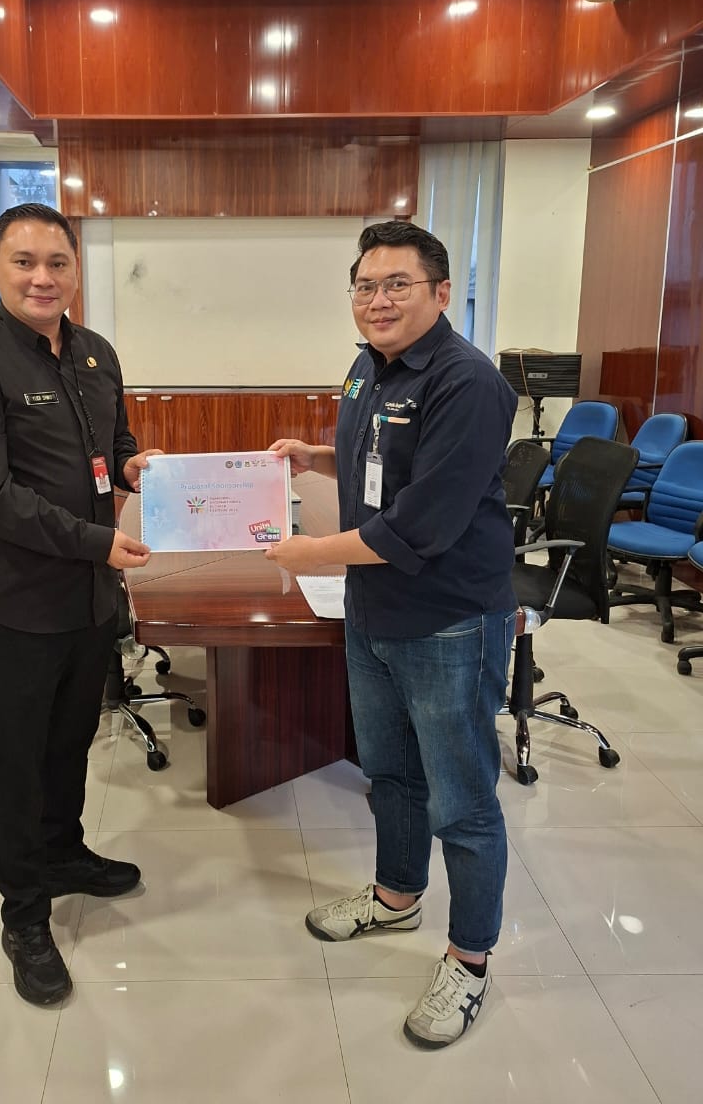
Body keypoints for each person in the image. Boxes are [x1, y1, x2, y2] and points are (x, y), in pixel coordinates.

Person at [265, 219, 517, 1050]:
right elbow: (378, 461)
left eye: (397, 284)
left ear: (441, 292)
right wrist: (313, 456)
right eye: (366, 285)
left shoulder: (468, 383)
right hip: (372, 610)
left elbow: (419, 526)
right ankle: (396, 897)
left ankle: (469, 959)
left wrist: (306, 553)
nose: (378, 300)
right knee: (390, 774)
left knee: (462, 801)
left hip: (448, 621)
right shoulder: (367, 366)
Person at [0, 202, 160, 1007]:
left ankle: (64, 853)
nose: (42, 277)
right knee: (17, 761)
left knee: (71, 741)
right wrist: (98, 541)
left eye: (57, 262)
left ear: (75, 270)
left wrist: (132, 467)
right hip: (20, 602)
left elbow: (114, 443)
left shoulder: (96, 353)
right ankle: (24, 913)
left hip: (91, 596)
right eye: (23, 261)